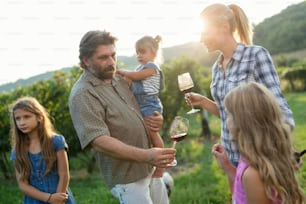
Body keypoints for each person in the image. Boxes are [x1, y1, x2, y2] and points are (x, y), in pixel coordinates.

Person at [68, 30, 176, 204]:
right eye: (103, 58)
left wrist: (157, 118)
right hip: (128, 178)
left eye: (113, 55)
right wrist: (147, 155)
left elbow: (144, 106)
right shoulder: (83, 93)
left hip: (150, 166)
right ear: (86, 61)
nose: (111, 62)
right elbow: (99, 141)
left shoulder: (119, 78)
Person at [186, 3, 295, 167]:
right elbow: (228, 112)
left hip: (259, 157)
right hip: (232, 156)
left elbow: (278, 106)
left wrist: (283, 147)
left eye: (205, 32)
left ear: (224, 27)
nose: (201, 39)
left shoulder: (255, 56)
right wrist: (203, 102)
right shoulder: (217, 68)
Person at [212, 82, 305, 204]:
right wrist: (227, 166)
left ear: (243, 123)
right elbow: (242, 193)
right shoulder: (251, 158)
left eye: (229, 115)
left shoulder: (253, 175)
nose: (226, 120)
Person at [9, 96, 76, 204]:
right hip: (34, 201)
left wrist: (58, 199)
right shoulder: (17, 151)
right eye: (18, 118)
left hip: (60, 198)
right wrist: (49, 198)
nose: (22, 122)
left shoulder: (56, 141)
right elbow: (23, 185)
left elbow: (64, 175)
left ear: (39, 117)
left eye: (27, 117)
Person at [116, 35, 165, 178]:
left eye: (143, 52)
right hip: (141, 107)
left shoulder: (152, 67)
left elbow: (136, 77)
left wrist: (124, 72)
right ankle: (152, 161)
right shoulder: (138, 68)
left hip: (150, 106)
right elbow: (131, 83)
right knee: (146, 136)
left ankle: (161, 166)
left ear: (153, 53)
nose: (139, 55)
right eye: (137, 52)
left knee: (152, 133)